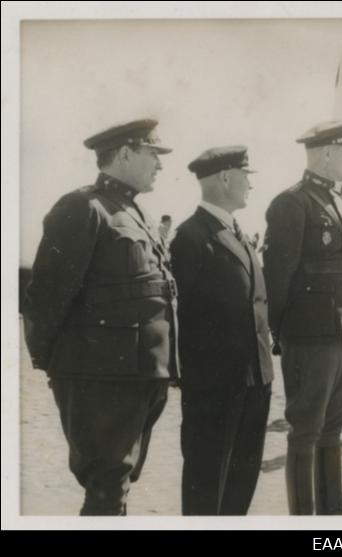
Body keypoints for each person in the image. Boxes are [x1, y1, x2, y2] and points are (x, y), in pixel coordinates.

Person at [23, 118, 177, 515]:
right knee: (107, 486)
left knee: (118, 484)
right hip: (101, 378)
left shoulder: (131, 211)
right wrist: (55, 364)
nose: (159, 165)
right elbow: (46, 298)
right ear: (125, 154)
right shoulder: (83, 207)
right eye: (152, 155)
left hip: (138, 374)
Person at [263, 120, 342, 515]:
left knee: (334, 424)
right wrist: (279, 330)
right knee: (306, 427)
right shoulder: (292, 203)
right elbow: (278, 274)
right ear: (326, 153)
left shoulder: (339, 201)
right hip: (312, 330)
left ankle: (331, 515)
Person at [171, 146, 273, 515]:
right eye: (246, 177)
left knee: (241, 480)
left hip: (254, 380)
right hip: (215, 386)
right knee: (207, 481)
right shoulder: (192, 236)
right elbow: (182, 316)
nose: (250, 186)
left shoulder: (237, 232)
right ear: (226, 178)